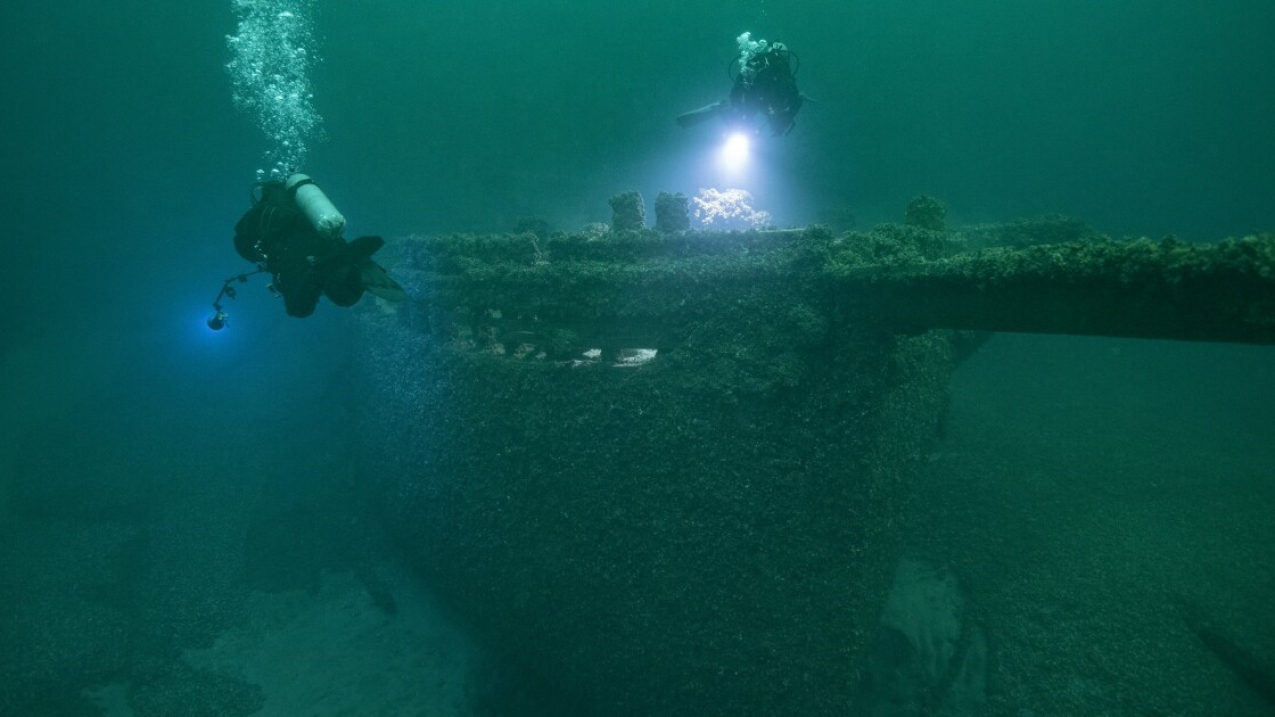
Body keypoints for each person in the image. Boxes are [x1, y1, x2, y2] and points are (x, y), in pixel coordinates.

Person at [233, 175, 406, 317]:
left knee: (298, 308)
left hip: (295, 251)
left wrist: (260, 257)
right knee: (342, 294)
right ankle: (351, 265)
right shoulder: (300, 203)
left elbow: (240, 243)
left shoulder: (259, 212)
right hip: (326, 240)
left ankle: (322, 268)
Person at [676, 34, 806, 137]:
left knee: (742, 118)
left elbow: (738, 89)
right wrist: (794, 106)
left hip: (751, 99)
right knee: (763, 117)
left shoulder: (755, 66)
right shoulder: (781, 68)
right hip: (762, 101)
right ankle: (731, 114)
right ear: (784, 57)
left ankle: (724, 109)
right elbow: (791, 93)